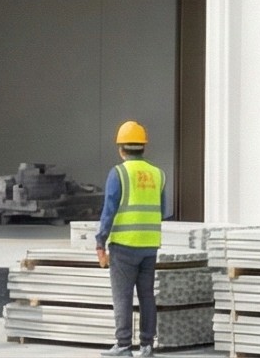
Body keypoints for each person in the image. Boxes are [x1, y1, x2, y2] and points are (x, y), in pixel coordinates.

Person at [93, 121, 165, 358]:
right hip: (150, 245)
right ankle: (147, 346)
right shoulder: (158, 174)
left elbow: (109, 210)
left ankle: (123, 346)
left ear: (121, 148)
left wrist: (100, 242)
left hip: (124, 246)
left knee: (122, 296)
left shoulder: (119, 173)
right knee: (146, 295)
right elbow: (162, 210)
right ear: (144, 147)